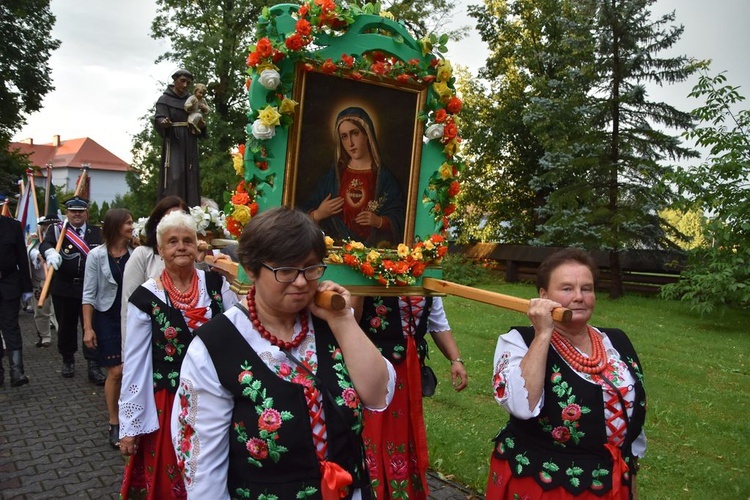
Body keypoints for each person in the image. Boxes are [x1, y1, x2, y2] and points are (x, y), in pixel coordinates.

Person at [170, 206, 396, 499]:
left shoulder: (330, 323)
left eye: (311, 267)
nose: (301, 281)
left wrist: (343, 320)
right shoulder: (215, 347)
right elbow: (202, 470)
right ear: (252, 269)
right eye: (286, 270)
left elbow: (378, 395)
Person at [486, 249, 647, 499]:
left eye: (587, 288)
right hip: (546, 484)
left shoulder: (616, 341)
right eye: (566, 288)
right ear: (543, 296)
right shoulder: (519, 341)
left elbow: (631, 414)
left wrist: (631, 472)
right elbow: (521, 406)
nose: (579, 297)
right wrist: (542, 333)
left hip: (613, 483)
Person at [118, 210, 238, 499]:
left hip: (221, 395)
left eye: (188, 240)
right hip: (171, 401)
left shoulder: (217, 285)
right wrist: (130, 424)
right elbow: (135, 362)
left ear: (198, 245)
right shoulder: (145, 298)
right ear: (160, 249)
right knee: (176, 477)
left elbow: (240, 332)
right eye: (172, 241)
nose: (181, 246)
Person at [358, 295, 468, 499]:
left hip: (409, 368)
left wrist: (456, 360)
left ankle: (402, 489)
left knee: (404, 429)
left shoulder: (426, 277)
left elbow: (438, 322)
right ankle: (372, 489)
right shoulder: (364, 268)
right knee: (373, 427)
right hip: (372, 365)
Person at [302, 106, 405, 247]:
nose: (350, 143)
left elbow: (401, 217)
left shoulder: (384, 178)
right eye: (344, 136)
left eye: (355, 133)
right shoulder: (335, 175)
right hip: (337, 249)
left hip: (374, 251)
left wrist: (379, 221)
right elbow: (305, 210)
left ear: (367, 134)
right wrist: (318, 214)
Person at [82, 208, 134, 449]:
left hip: (131, 317)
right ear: (116, 226)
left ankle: (131, 419)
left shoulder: (136, 254)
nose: (132, 227)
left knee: (131, 371)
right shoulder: (96, 256)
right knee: (115, 372)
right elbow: (89, 294)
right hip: (107, 317)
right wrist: (88, 328)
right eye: (128, 223)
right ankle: (114, 422)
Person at [39, 196, 106, 384]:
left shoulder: (97, 233)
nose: (76, 214)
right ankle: (68, 359)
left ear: (86, 213)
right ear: (67, 213)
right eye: (73, 211)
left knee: (91, 326)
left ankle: (93, 364)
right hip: (64, 287)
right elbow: (45, 244)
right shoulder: (57, 231)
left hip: (90, 287)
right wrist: (49, 252)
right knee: (66, 326)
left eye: (80, 211)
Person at [155, 68, 205, 207]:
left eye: (188, 83)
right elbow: (159, 118)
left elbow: (199, 118)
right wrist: (163, 123)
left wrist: (202, 125)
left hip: (189, 141)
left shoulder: (191, 99)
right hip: (174, 141)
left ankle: (192, 210)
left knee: (191, 177)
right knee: (175, 176)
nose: (184, 85)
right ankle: (172, 210)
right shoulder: (164, 99)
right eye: (182, 81)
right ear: (174, 80)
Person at [0, 213, 34, 387]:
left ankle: (17, 371)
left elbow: (22, 256)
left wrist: (27, 287)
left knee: (10, 325)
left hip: (8, 283)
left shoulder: (13, 226)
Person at [27, 215, 59, 348]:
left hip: (58, 281)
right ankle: (45, 337)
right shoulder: (35, 238)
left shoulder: (62, 237)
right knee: (41, 311)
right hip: (40, 281)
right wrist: (37, 255)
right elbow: (28, 251)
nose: (49, 227)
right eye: (46, 224)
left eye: (53, 224)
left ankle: (62, 334)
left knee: (59, 311)